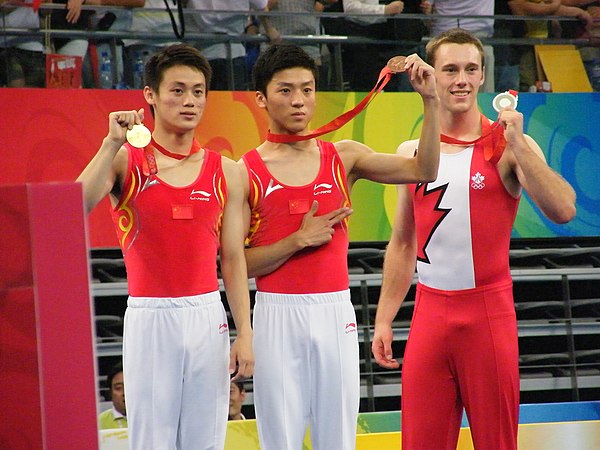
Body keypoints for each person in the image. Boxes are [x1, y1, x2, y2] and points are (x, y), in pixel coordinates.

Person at [372, 28, 576, 450]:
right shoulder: (412, 150)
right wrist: (384, 317)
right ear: (431, 75)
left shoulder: (508, 143)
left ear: (483, 76)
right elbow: (403, 242)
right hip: (429, 316)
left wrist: (519, 145)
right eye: (450, 69)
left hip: (488, 315)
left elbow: (564, 210)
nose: (460, 79)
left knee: (497, 443)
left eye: (470, 69)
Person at [239, 43, 440, 450]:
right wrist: (298, 240)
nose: (298, 101)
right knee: (280, 440)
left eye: (307, 89)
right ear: (261, 98)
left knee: (339, 439)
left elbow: (425, 169)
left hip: (334, 312)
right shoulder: (244, 171)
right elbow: (235, 265)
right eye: (285, 90)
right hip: (276, 314)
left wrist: (430, 100)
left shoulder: (343, 157)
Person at [76, 43, 254, 450]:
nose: (189, 101)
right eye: (177, 90)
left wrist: (245, 331)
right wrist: (110, 145)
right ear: (150, 95)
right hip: (150, 317)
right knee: (151, 440)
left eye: (198, 91)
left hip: (207, 316)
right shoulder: (126, 160)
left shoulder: (226, 171)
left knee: (206, 439)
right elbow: (72, 208)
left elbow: (232, 259)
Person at [421, 0, 496, 93]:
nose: (461, 81)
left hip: (476, 38)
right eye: (451, 70)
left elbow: (426, 8)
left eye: (471, 69)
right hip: (443, 39)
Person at [98, 362, 127, 429]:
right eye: (119, 388)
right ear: (110, 393)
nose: (125, 393)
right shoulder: (99, 423)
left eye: (130, 387)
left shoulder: (152, 419)